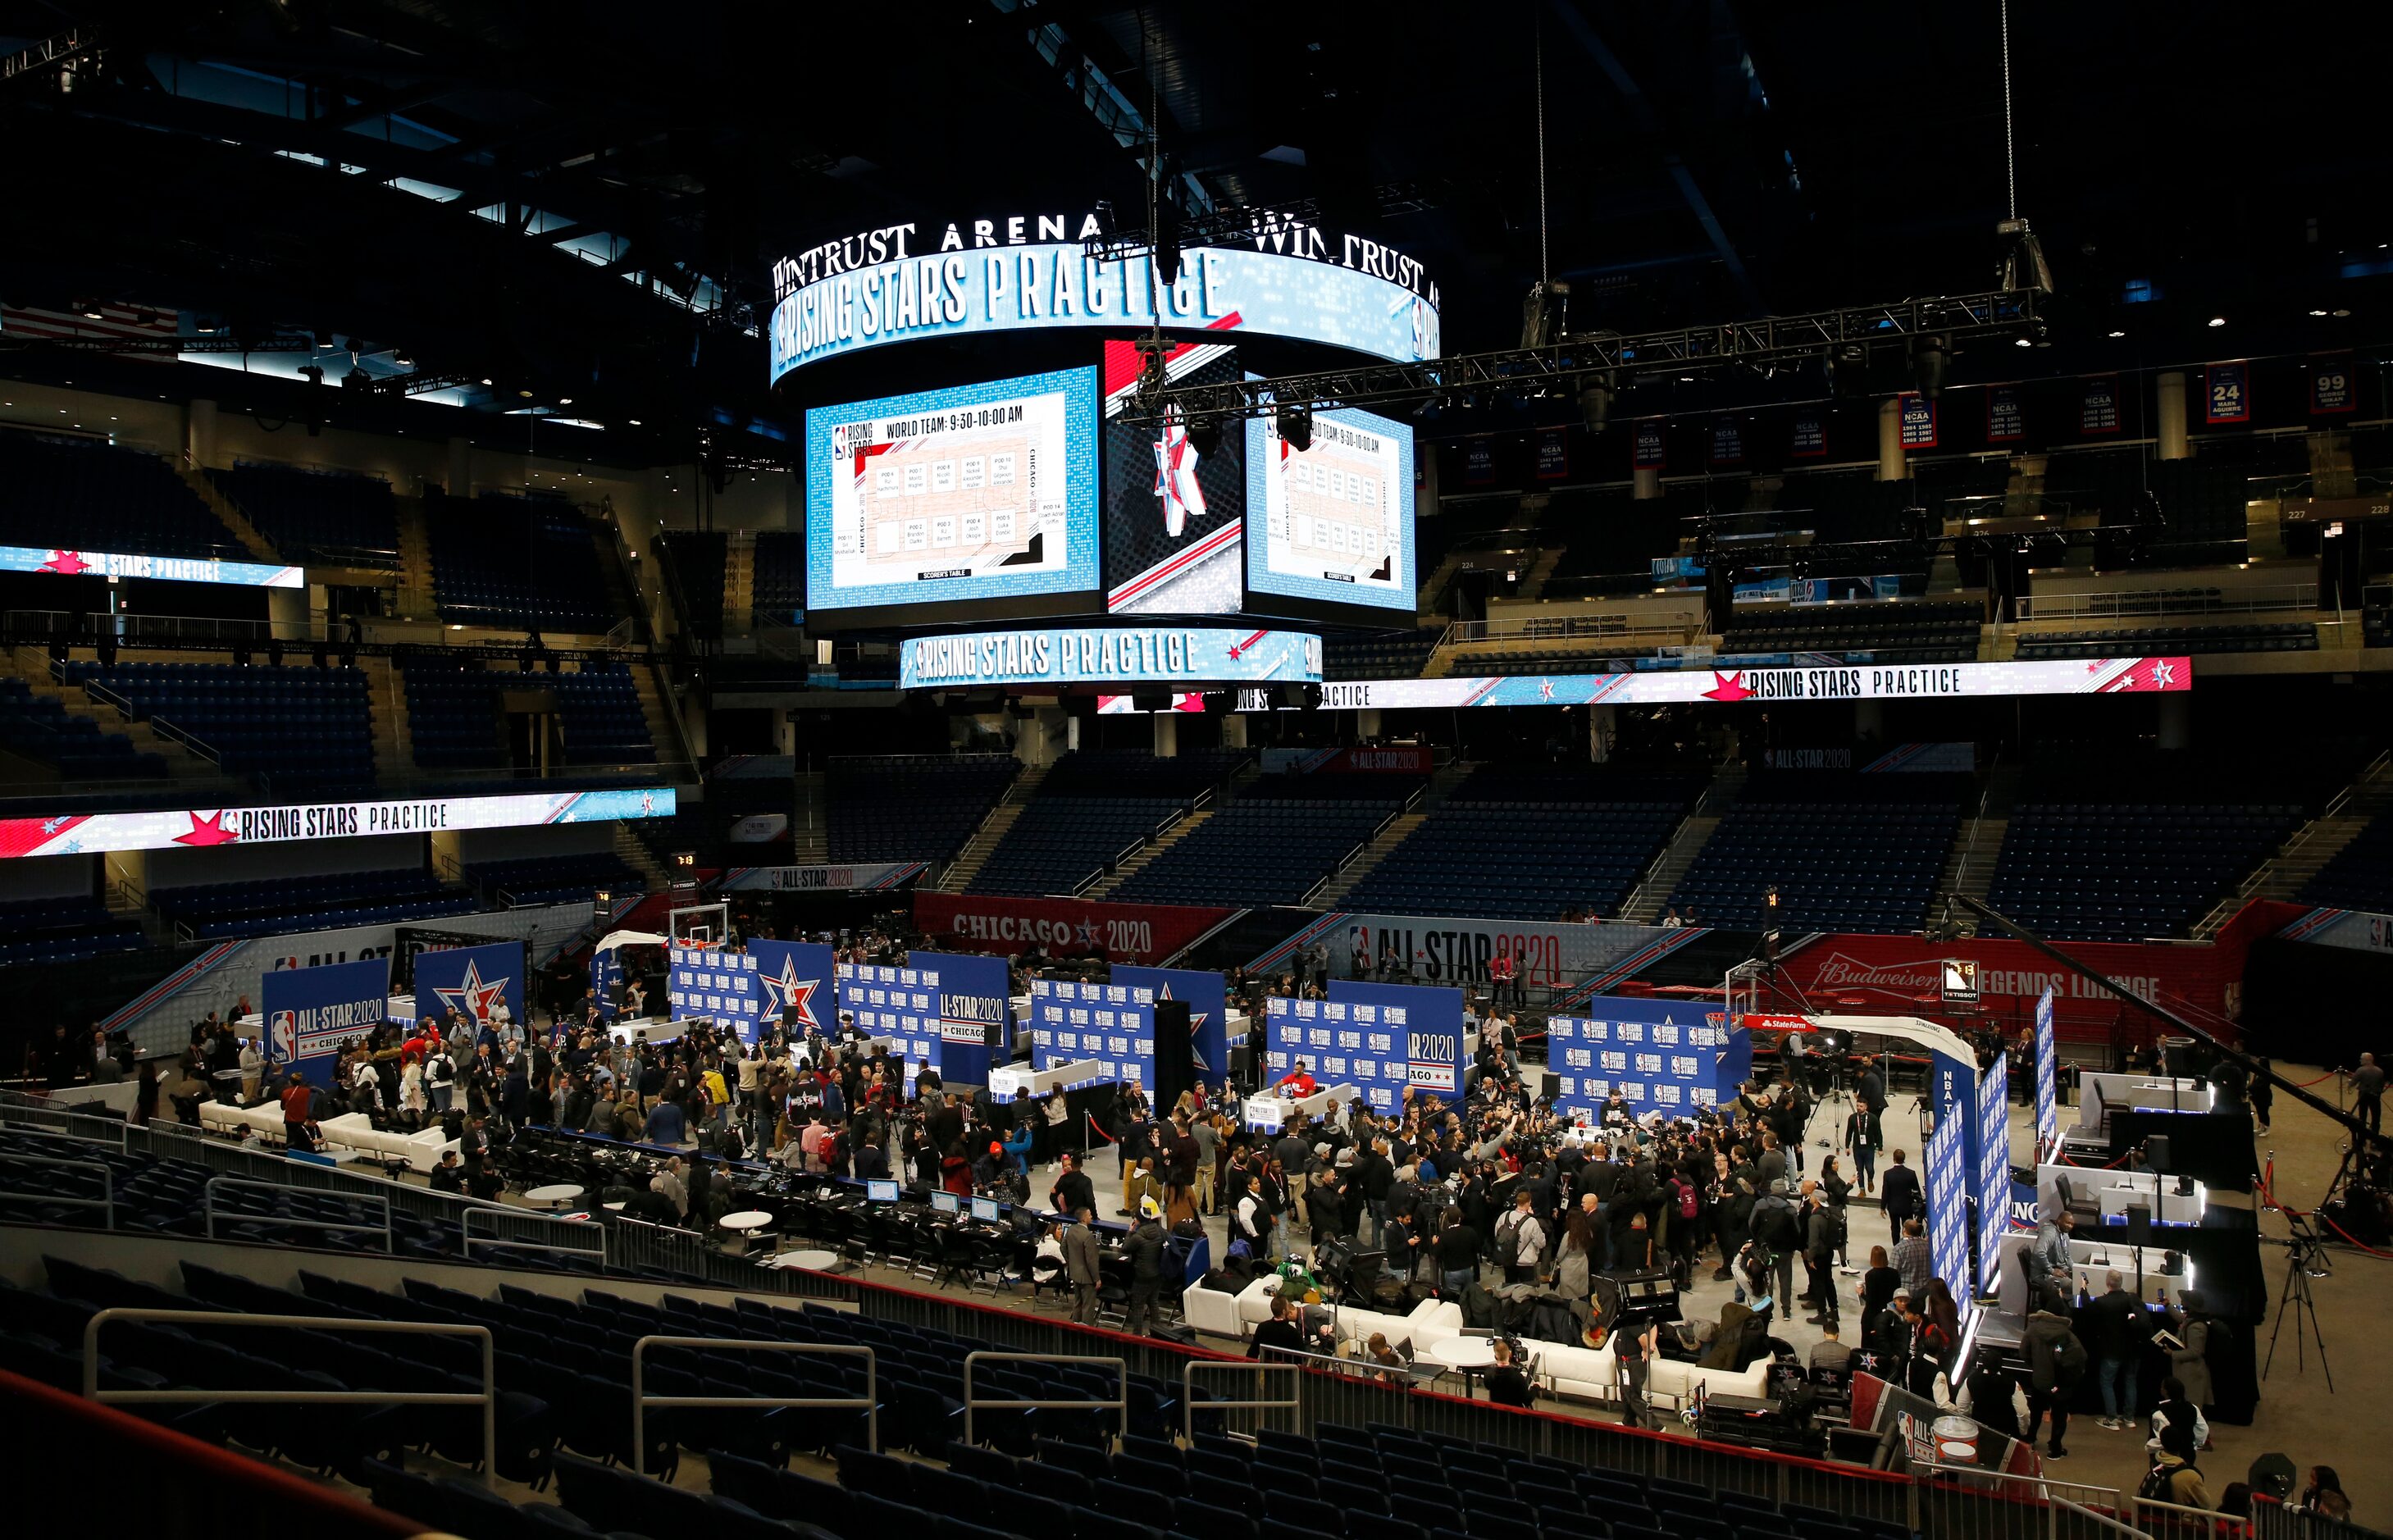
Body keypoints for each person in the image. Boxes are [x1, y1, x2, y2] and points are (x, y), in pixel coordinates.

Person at [2082, 1269, 2152, 1430]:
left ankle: (2112, 1419)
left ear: (2108, 1283)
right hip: (2133, 1350)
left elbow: (2087, 1307)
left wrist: (2083, 1289)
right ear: (2121, 1283)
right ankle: (2129, 1418)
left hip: (2111, 1351)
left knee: (2107, 1382)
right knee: (2131, 1382)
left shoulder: (2102, 1302)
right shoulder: (2132, 1299)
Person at [2022, 1297, 2087, 1459]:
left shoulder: (2033, 1329)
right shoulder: (2067, 1334)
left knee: (2035, 1410)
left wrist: (2036, 1366)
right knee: (2059, 1416)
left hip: (2040, 1381)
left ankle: (2030, 1439)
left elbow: (2023, 1352)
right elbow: (2081, 1355)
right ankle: (2055, 1449)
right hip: (2059, 1384)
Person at [1122, 1196, 1167, 1336]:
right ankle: (1157, 1333)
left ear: (1138, 1220)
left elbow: (1125, 1249)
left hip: (1142, 1276)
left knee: (1138, 1305)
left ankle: (1137, 1335)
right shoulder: (1160, 1232)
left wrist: (1130, 1231)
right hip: (1157, 1274)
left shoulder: (1138, 1236)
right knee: (1153, 1302)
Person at [1495, 1190, 1545, 1285]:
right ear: (1528, 1203)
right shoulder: (1532, 1222)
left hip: (1507, 1258)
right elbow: (1541, 1243)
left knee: (1509, 1287)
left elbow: (1497, 1234)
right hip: (1525, 1262)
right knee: (1526, 1291)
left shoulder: (1504, 1216)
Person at [1062, 1208, 1102, 1325]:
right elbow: (1091, 1261)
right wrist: (1097, 1279)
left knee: (1077, 1302)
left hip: (1075, 1273)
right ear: (1084, 1218)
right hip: (1087, 1277)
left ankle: (1075, 1327)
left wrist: (1071, 1262)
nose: (1091, 1217)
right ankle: (1086, 1331)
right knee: (1088, 1306)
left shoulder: (1071, 1230)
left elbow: (1063, 1247)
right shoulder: (1088, 1236)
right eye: (1089, 1215)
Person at [1613, 1320, 1657, 1427]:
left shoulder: (1633, 1322)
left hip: (1633, 1363)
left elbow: (1644, 1337)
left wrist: (1647, 1349)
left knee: (1632, 1396)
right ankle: (1629, 1422)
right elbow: (1654, 1326)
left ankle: (1656, 1426)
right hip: (1624, 1362)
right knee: (1625, 1393)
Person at [1857, 1242, 1902, 1345]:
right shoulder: (1894, 1273)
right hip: (1890, 1312)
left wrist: (1861, 1293)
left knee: (1868, 1341)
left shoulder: (1870, 1275)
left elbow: (1872, 1300)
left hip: (1873, 1314)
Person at [1880, 1148, 1921, 1236]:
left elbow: (1885, 1192)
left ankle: (1896, 1245)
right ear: (1904, 1159)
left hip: (1893, 1207)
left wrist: (1882, 1207)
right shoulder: (1911, 1174)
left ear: (1894, 1159)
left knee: (1895, 1227)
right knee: (1908, 1228)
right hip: (1907, 1206)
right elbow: (1917, 1191)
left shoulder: (1888, 1174)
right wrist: (1919, 1205)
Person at [1484, 1336, 1534, 1407]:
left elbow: (1487, 1386)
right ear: (1510, 1354)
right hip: (1514, 1415)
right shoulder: (1517, 1377)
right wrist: (1536, 1387)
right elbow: (1527, 1400)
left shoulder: (1488, 1374)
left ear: (1495, 1357)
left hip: (1496, 1414)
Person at [1892, 1217, 1933, 1296]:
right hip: (1924, 1290)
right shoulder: (1927, 1246)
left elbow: (1893, 1273)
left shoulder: (1899, 1249)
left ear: (1904, 1230)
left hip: (1905, 1292)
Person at [1049, 1150, 1095, 1219]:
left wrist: (1060, 1210)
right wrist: (1094, 1216)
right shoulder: (1086, 1181)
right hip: (1083, 1218)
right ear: (1082, 1164)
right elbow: (1090, 1201)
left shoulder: (1063, 1179)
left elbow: (1052, 1196)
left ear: (1071, 1163)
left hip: (1069, 1215)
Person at [279, 1072, 316, 1151]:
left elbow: (282, 1107)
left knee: (291, 1141)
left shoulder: (286, 1092)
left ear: (290, 1082)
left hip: (290, 1121)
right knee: (303, 1140)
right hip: (302, 1120)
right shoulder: (307, 1091)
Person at [2351, 1052, 2384, 1137]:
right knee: (2376, 1118)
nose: (2360, 1060)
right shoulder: (2380, 1071)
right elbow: (2382, 1085)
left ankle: (2362, 1137)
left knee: (2362, 1117)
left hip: (2363, 1096)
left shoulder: (2361, 1070)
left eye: (2361, 1059)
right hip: (2376, 1096)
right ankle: (2375, 1138)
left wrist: (2349, 1083)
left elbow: (2353, 1082)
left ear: (2367, 1060)